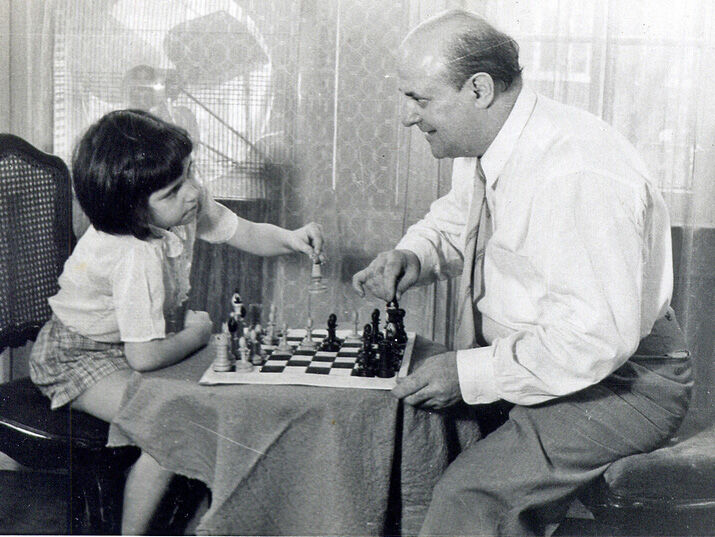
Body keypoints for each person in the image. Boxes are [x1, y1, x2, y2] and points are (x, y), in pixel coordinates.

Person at [353, 9, 692, 536]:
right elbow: (457, 218)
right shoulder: (494, 145)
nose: (408, 117)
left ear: (479, 89)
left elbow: (591, 340)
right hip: (547, 367)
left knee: (469, 498)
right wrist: (413, 255)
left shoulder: (576, 171)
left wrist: (467, 374)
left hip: (620, 384)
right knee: (414, 445)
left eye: (419, 99)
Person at [29, 109, 324, 535]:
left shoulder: (177, 210)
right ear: (132, 209)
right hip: (74, 356)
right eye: (174, 190)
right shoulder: (135, 253)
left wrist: (290, 239)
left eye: (190, 173)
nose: (193, 193)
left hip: (126, 345)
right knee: (168, 422)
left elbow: (243, 231)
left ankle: (195, 519)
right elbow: (146, 356)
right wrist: (197, 333)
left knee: (194, 407)